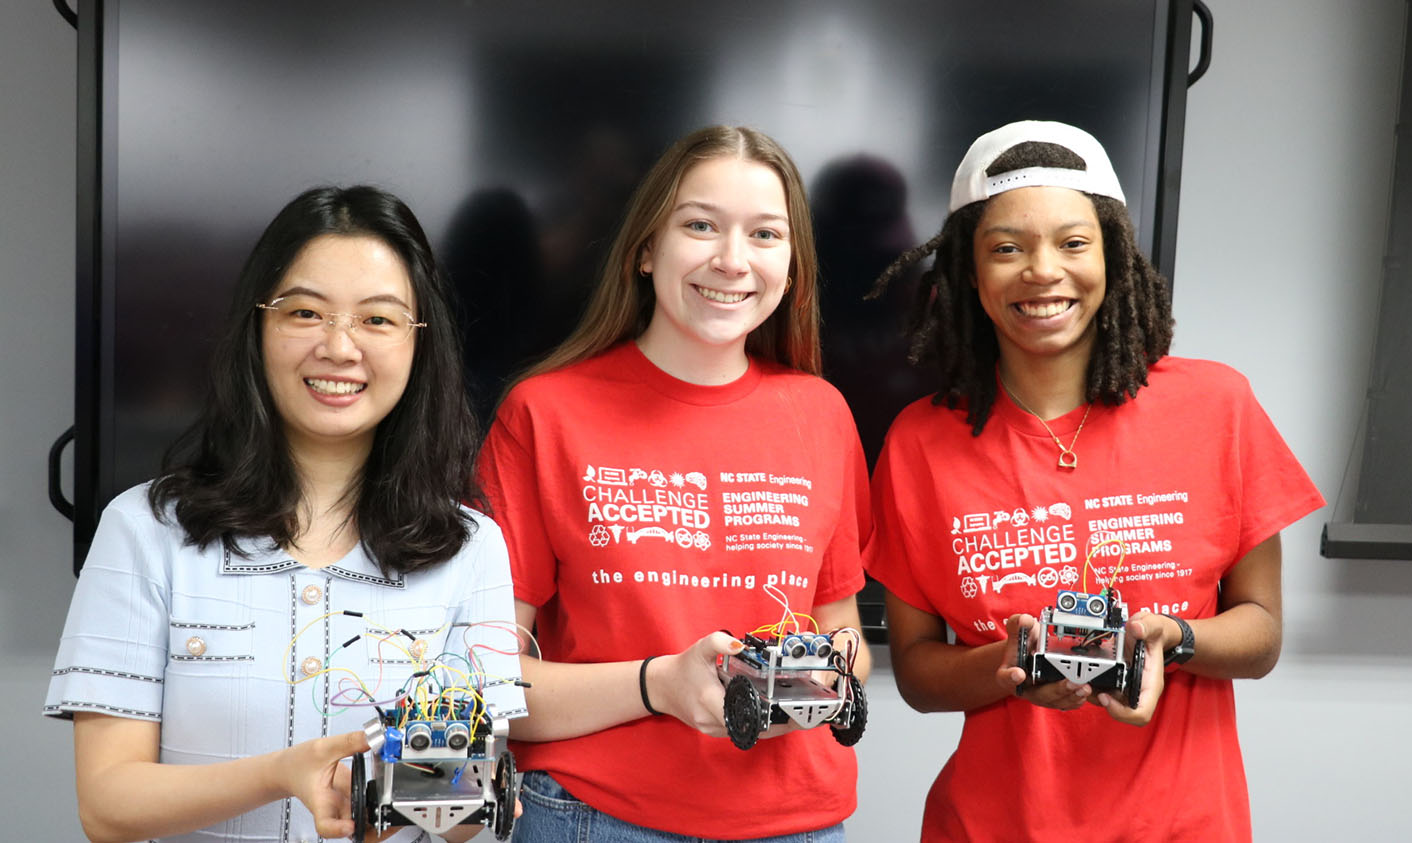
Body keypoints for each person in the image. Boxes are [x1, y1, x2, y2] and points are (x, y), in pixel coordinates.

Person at [864, 121, 1324, 842]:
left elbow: (1261, 634)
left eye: (1074, 243)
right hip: (991, 825)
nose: (1042, 270)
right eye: (1007, 247)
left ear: (1111, 254)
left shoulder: (1216, 406)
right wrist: (1011, 666)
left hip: (1184, 824)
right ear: (969, 272)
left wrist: (1169, 639)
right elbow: (920, 673)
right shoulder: (920, 442)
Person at [44, 186, 526, 843]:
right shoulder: (144, 528)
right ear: (258, 325)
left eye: (378, 319)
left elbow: (467, 818)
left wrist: (424, 795)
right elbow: (107, 804)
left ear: (419, 344)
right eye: (305, 312)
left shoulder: (468, 547)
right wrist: (283, 772)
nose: (339, 346)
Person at [475, 125, 871, 842]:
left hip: (799, 823)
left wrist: (833, 665)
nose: (732, 260)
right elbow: (491, 685)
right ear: (646, 249)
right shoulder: (545, 413)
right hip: (594, 816)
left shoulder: (822, 414)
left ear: (792, 265)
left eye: (764, 234)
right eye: (700, 225)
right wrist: (659, 683)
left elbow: (844, 630)